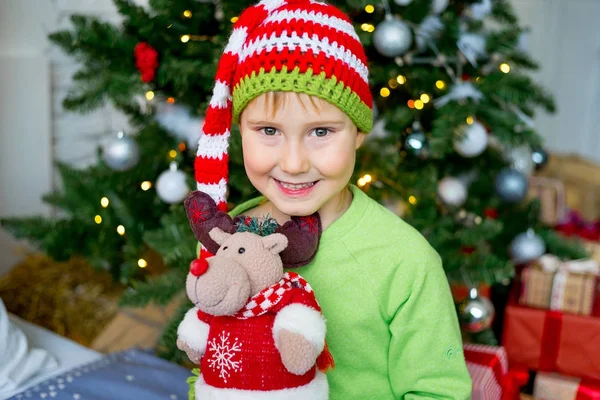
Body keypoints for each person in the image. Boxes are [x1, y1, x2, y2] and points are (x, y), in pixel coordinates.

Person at [193, 0, 472, 398]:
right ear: (239, 129)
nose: (292, 163)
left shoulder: (406, 260)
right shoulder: (227, 238)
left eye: (321, 132)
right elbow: (210, 360)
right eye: (268, 130)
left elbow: (437, 391)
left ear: (359, 132)